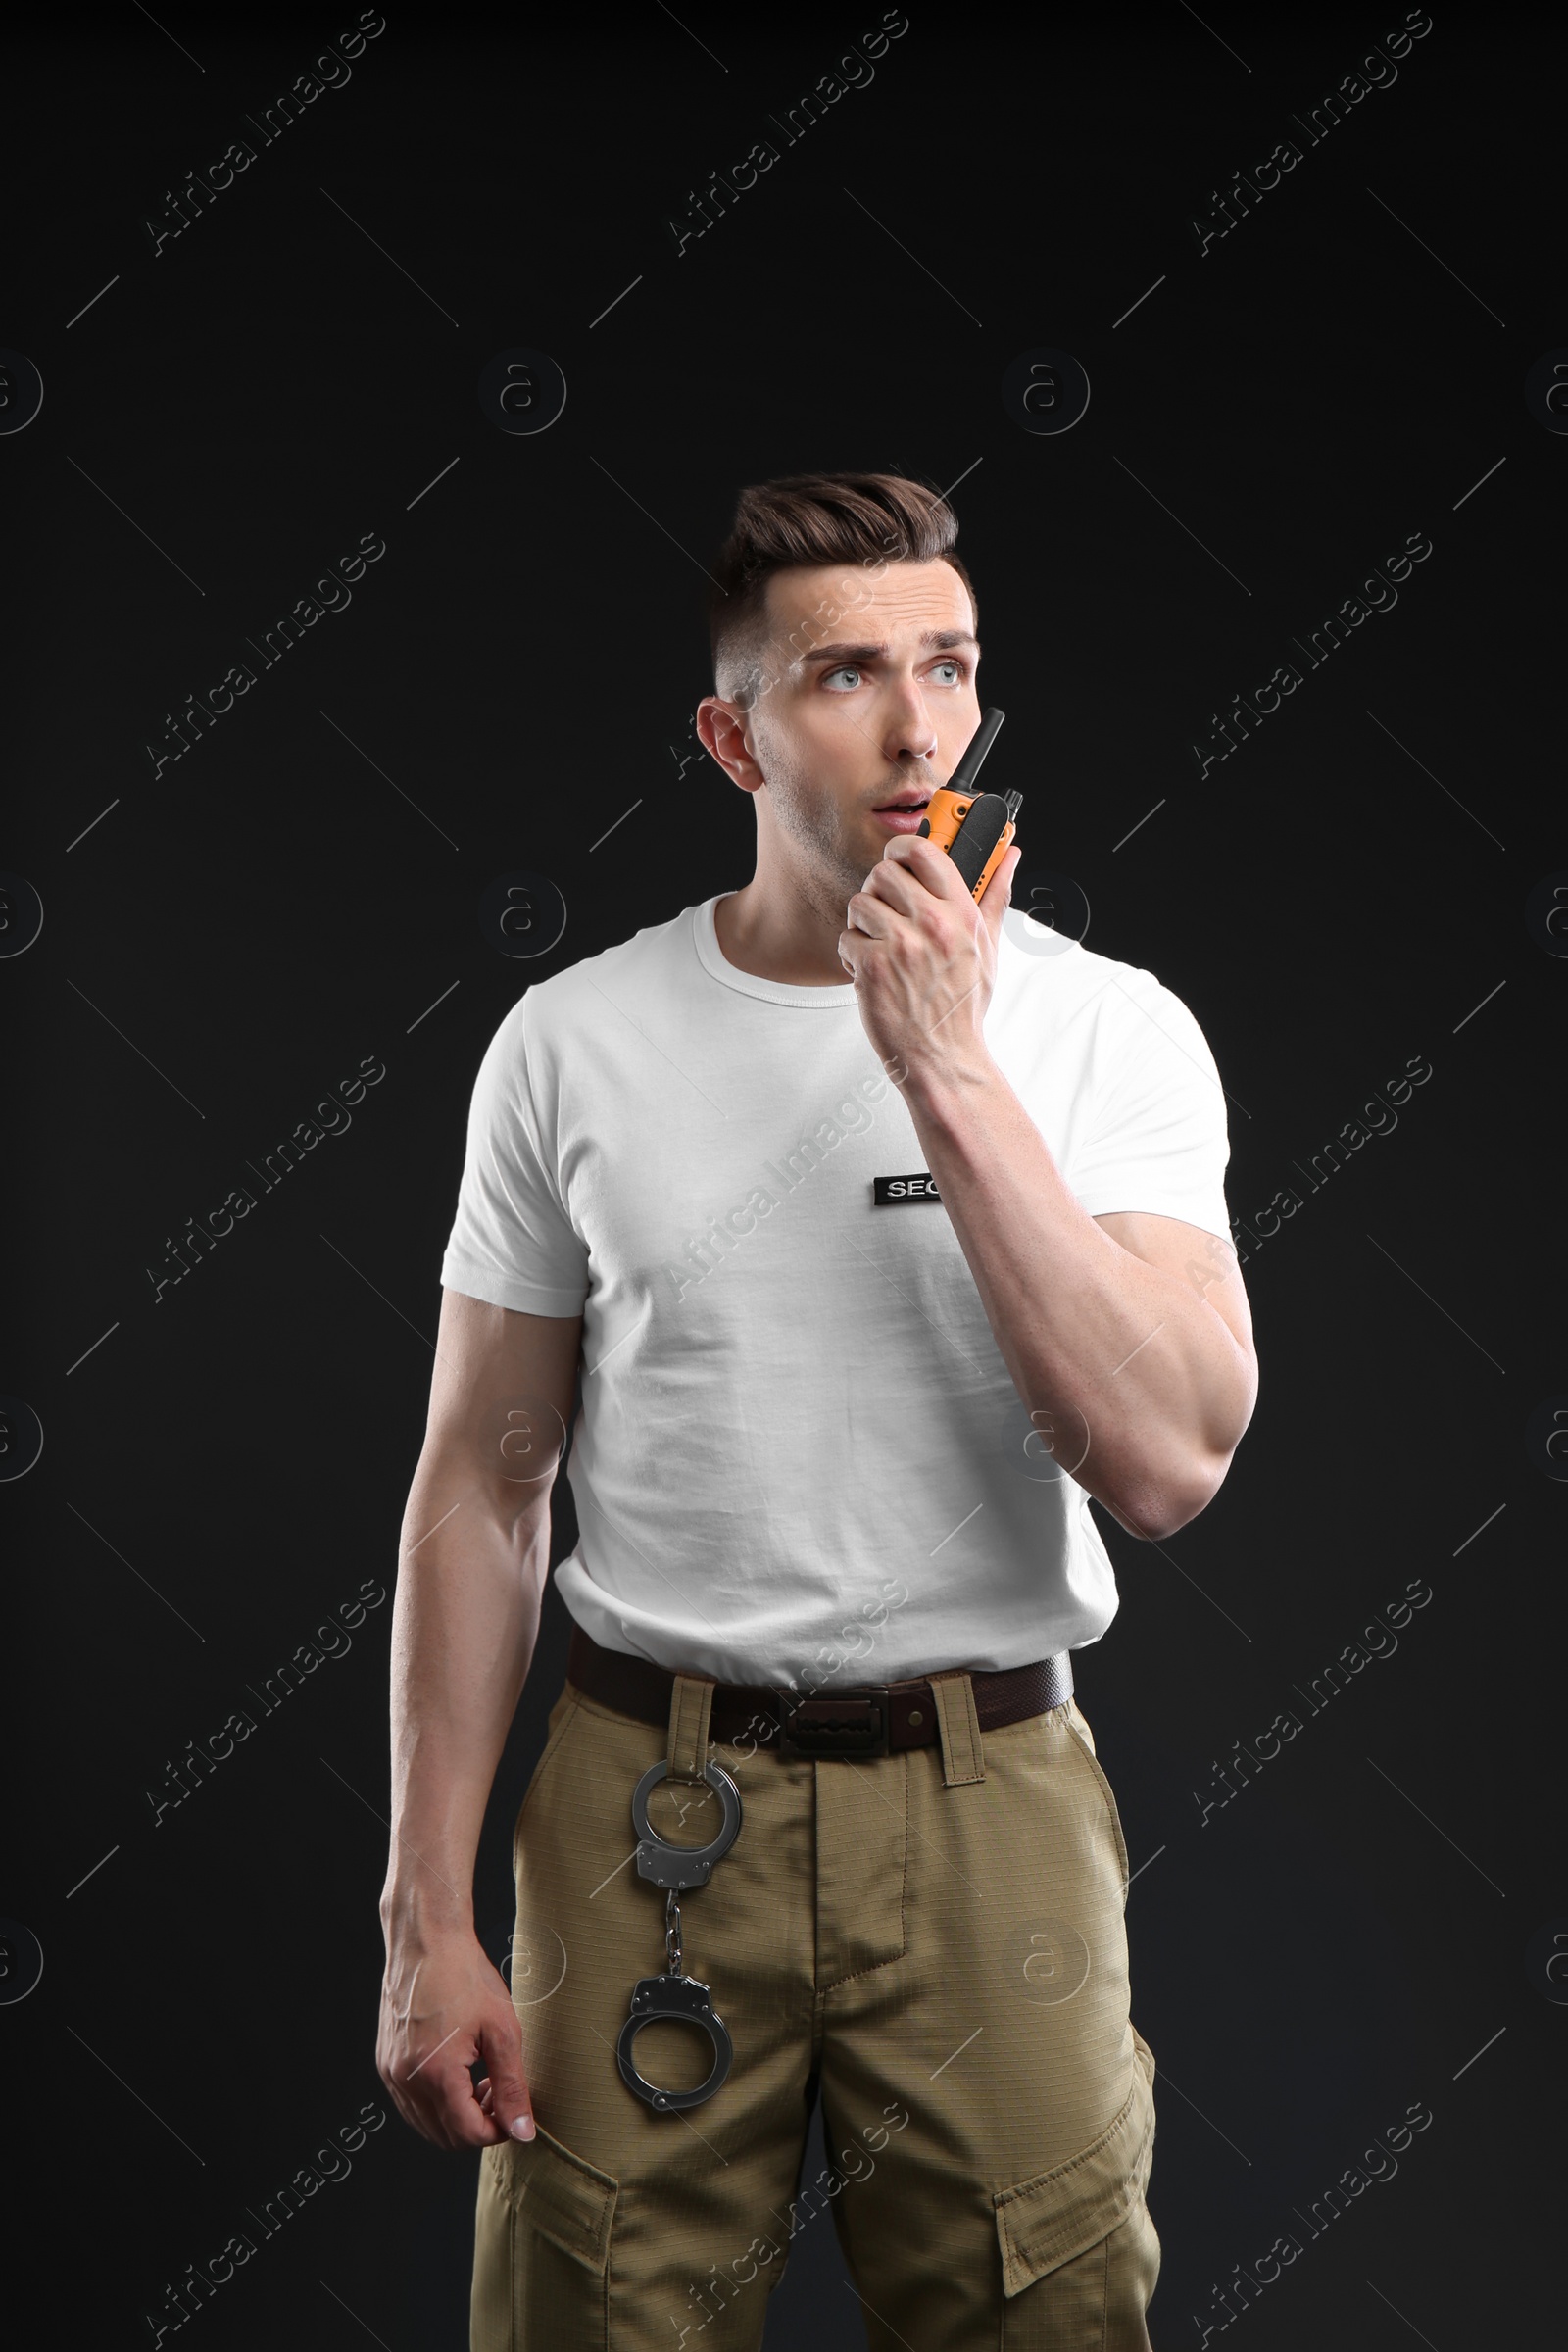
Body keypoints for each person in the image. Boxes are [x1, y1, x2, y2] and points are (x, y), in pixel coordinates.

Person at [375, 471, 1258, 2350]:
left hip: (989, 1797)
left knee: (1048, 2312)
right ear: (731, 733)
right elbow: (485, 1483)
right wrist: (422, 1916)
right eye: (846, 673)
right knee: (588, 2316)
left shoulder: (1110, 1033)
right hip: (647, 1809)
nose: (919, 724)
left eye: (948, 665)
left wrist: (945, 1069)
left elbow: (1173, 1459)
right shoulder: (572, 1043)